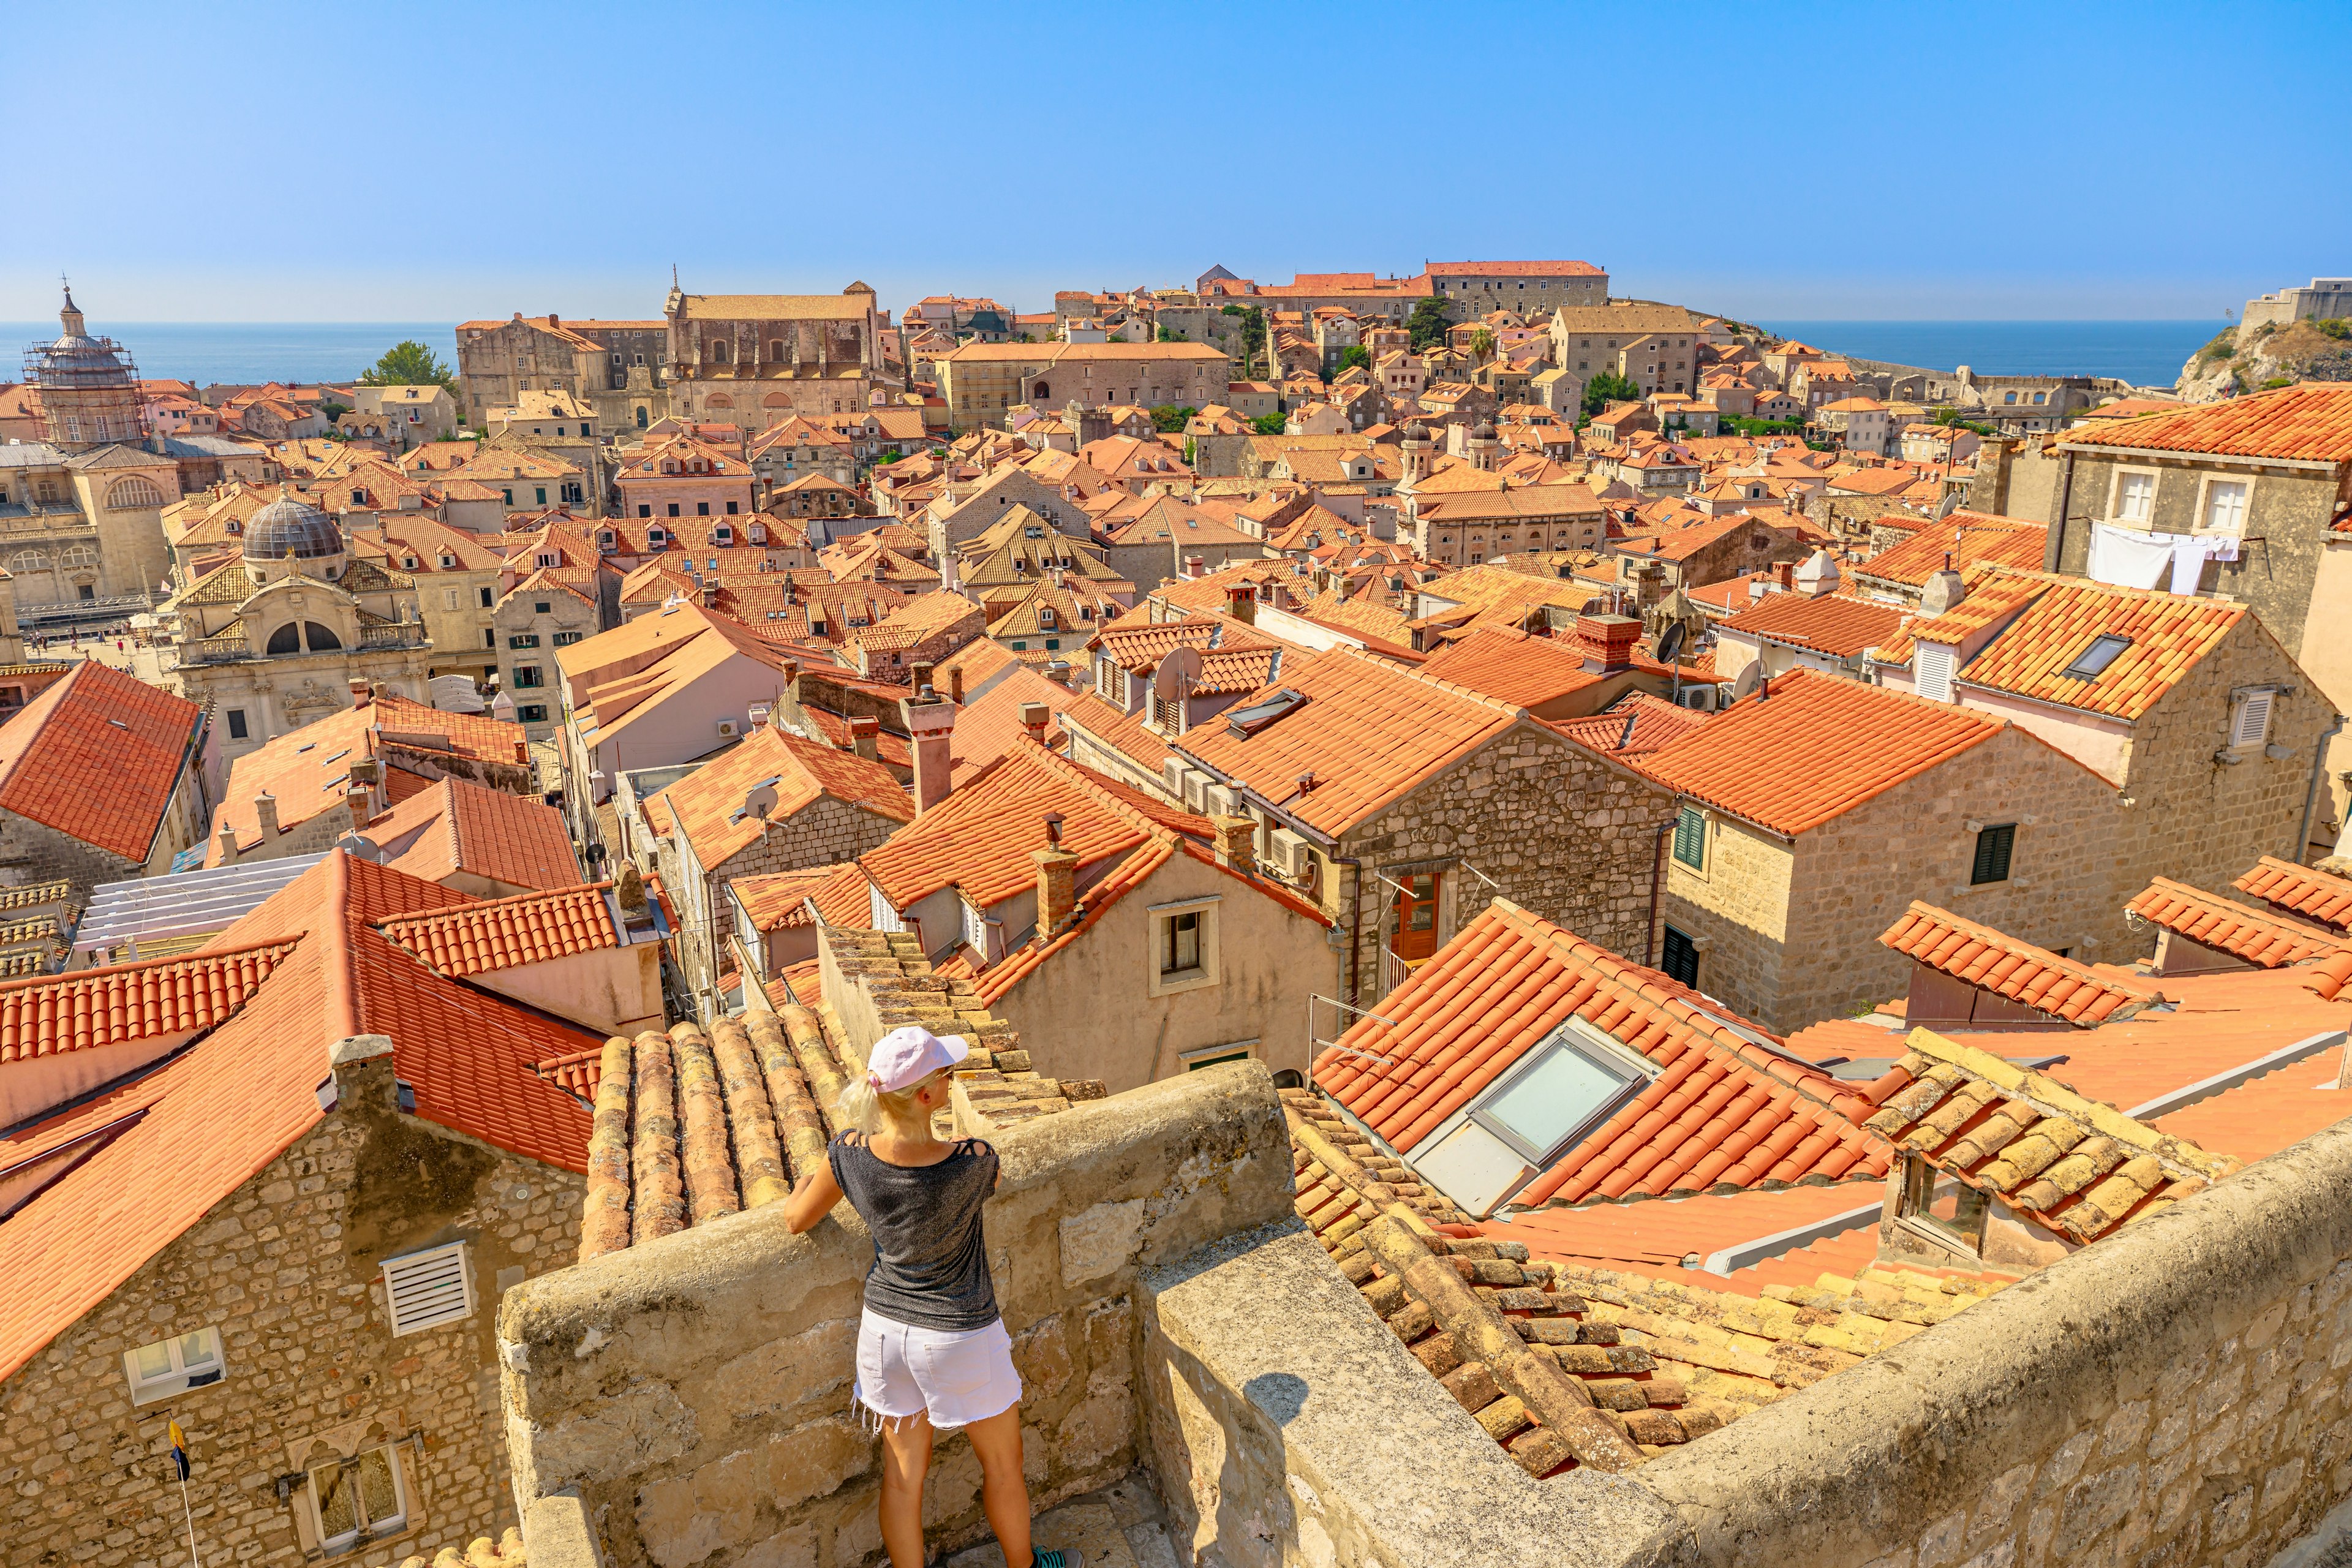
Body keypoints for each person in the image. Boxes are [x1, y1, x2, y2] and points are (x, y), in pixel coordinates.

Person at [783, 1026, 1079, 1568]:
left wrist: (808, 1179)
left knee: (901, 1481)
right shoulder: (974, 1162)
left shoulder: (848, 1155)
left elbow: (796, 1219)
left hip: (884, 1336)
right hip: (959, 1333)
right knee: (1003, 1466)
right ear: (926, 1096)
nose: (953, 1080)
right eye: (947, 1074)